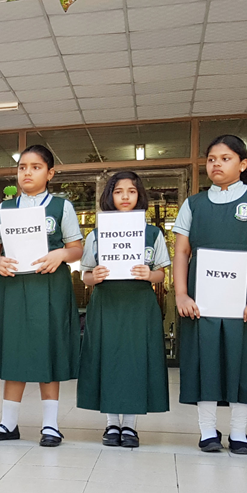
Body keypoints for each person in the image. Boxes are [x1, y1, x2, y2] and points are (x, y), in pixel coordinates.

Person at [173, 135, 247, 455]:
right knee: (204, 361)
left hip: (245, 301)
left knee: (243, 361)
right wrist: (181, 294)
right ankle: (207, 430)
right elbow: (181, 252)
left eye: (225, 158)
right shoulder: (193, 204)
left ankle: (239, 432)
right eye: (211, 159)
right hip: (202, 301)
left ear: (243, 164)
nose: (216, 164)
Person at [0, 145, 83, 447]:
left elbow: (77, 248)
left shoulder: (61, 207)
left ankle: (50, 426)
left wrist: (61, 254)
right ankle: (8, 424)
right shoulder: (5, 209)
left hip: (49, 288)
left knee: (48, 350)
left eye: (36, 167)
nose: (27, 172)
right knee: (14, 350)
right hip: (13, 287)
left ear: (50, 173)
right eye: (22, 167)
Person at [77, 172, 170, 448]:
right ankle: (111, 424)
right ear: (110, 196)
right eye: (118, 191)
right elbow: (85, 276)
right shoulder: (96, 234)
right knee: (106, 359)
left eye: (131, 191)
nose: (125, 196)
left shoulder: (153, 233)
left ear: (140, 195)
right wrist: (95, 276)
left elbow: (162, 274)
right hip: (106, 304)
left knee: (134, 361)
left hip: (139, 305)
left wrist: (149, 275)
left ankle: (129, 425)